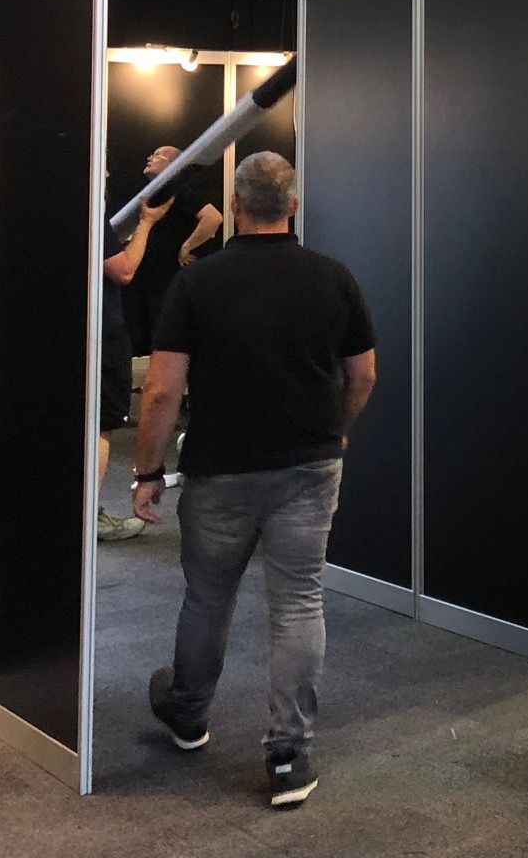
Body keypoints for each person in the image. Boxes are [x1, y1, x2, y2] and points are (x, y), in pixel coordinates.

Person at [130, 152, 377, 810]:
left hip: (219, 471)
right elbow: (364, 376)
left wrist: (147, 471)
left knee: (208, 599)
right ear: (293, 205)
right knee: (298, 604)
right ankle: (288, 756)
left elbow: (161, 390)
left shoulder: (197, 283)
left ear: (236, 206)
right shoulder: (333, 278)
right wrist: (337, 431)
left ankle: (187, 714)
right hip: (308, 469)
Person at [97, 193, 170, 542]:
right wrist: (147, 224)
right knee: (101, 425)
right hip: (102, 332)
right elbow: (124, 270)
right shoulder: (89, 211)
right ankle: (92, 517)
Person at [122, 144, 223, 367]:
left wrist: (186, 247)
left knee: (161, 342)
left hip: (164, 282)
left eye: (158, 155)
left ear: (173, 165)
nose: (150, 157)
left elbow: (213, 218)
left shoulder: (177, 191)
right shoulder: (152, 195)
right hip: (144, 282)